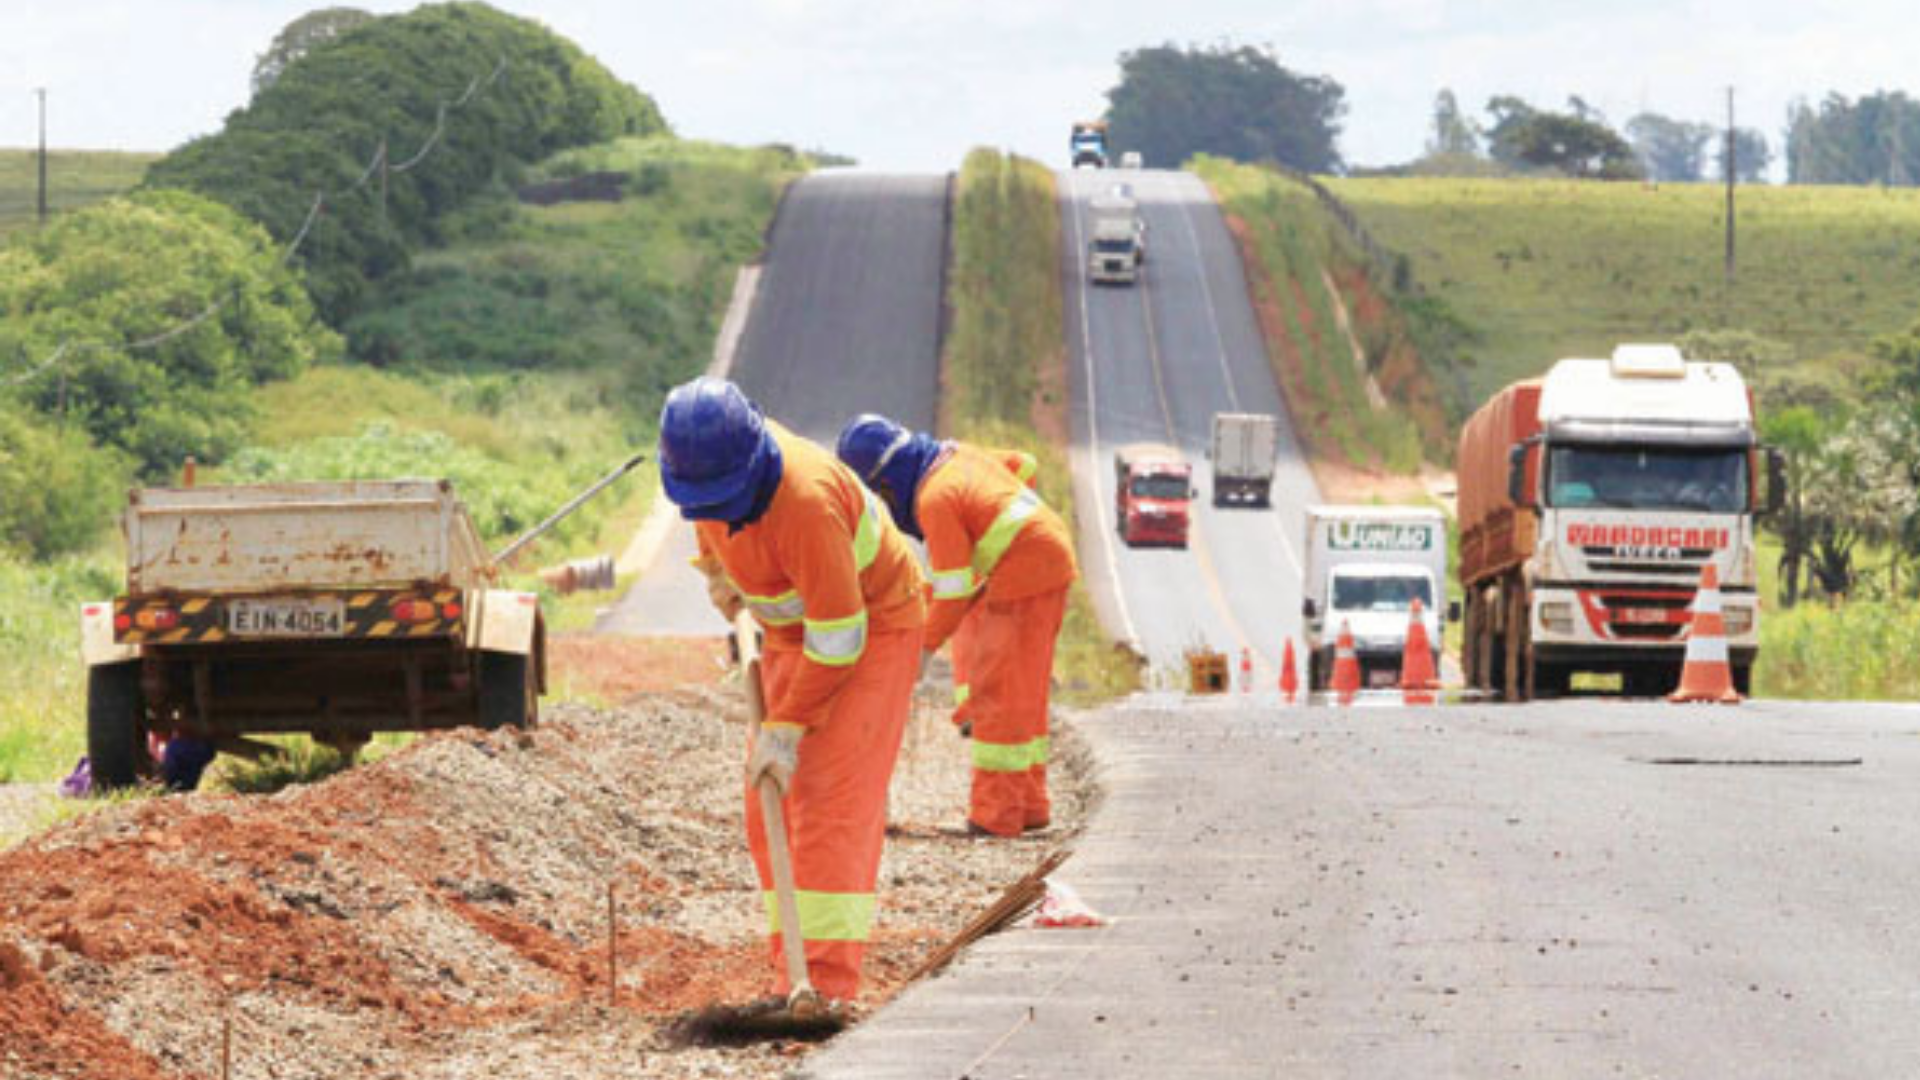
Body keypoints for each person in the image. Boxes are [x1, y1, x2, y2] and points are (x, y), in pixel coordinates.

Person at [659, 377, 926, 1004]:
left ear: (751, 465)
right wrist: (721, 576)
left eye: (724, 498)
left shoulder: (804, 500)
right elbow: (709, 522)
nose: (713, 509)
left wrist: (787, 727)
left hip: (871, 628)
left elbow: (839, 638)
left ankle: (826, 985)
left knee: (827, 803)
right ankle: (792, 973)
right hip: (789, 637)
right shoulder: (708, 473)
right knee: (770, 802)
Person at [836, 415, 1078, 838]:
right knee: (1022, 692)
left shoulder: (935, 500)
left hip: (1025, 576)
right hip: (1042, 563)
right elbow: (1022, 465)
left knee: (997, 695)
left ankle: (995, 816)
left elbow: (951, 593)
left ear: (887, 485)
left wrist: (920, 654)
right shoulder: (955, 457)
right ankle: (1030, 806)